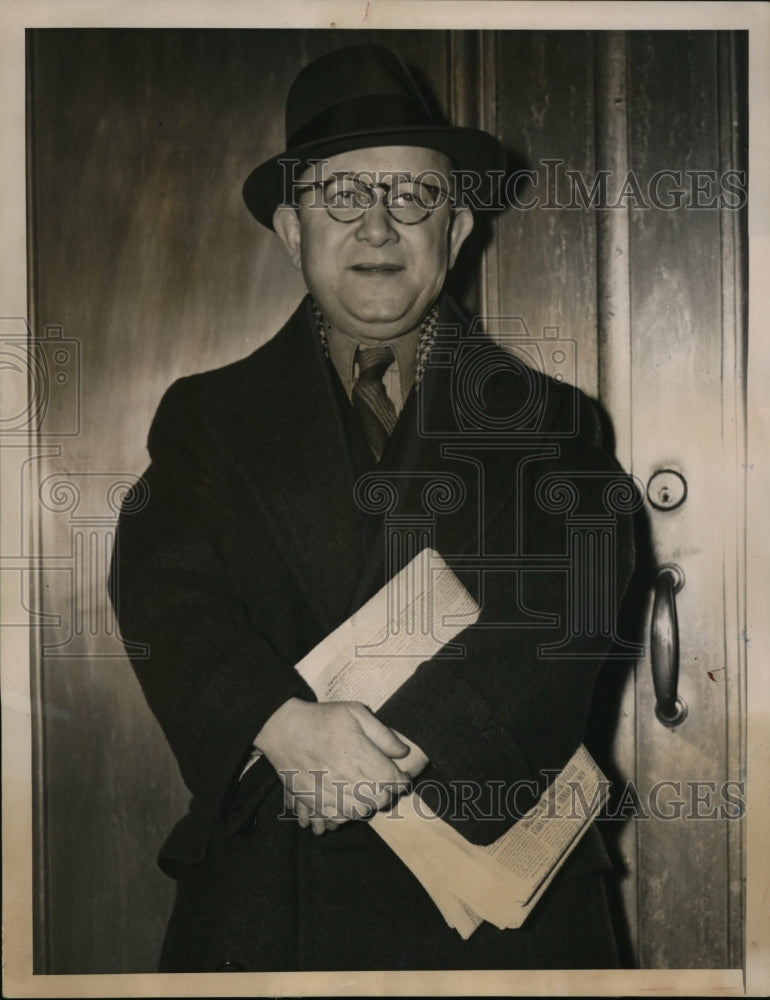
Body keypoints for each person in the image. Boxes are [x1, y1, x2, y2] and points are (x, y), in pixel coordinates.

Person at [110, 43, 636, 972]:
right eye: (343, 196)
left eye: (412, 196)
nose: (379, 227)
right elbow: (166, 595)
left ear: (459, 227)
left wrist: (386, 757)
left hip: (501, 898)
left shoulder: (553, 421)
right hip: (271, 887)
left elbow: (569, 607)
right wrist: (281, 726)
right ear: (290, 228)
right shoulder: (205, 417)